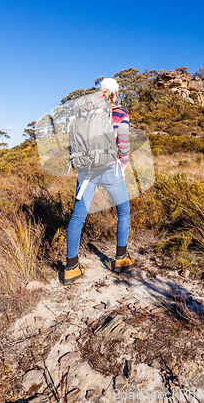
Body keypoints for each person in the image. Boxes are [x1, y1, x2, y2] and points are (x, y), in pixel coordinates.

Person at [63, 78, 135, 285]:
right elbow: (123, 142)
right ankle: (121, 259)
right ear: (115, 93)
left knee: (77, 217)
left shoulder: (84, 114)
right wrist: (123, 164)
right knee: (123, 210)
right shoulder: (120, 113)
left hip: (86, 170)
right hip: (110, 167)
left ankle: (71, 268)